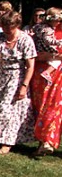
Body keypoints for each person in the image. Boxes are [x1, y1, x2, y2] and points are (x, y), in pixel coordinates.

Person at [0, 10, 36, 154]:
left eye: (9, 28)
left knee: (7, 110)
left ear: (17, 25)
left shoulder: (25, 40)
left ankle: (7, 141)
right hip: (0, 77)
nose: (6, 30)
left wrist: (24, 86)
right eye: (4, 27)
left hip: (16, 78)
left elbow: (31, 66)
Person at [33, 9, 62, 156]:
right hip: (41, 72)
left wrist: (53, 55)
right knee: (42, 105)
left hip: (57, 75)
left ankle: (48, 141)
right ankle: (42, 143)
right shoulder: (47, 30)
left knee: (54, 107)